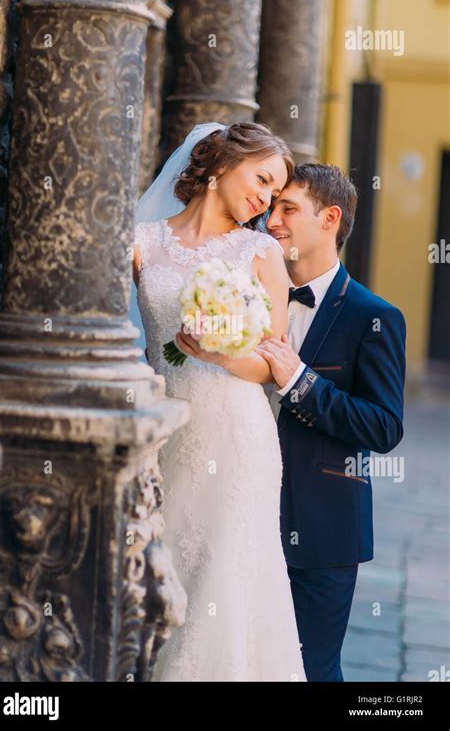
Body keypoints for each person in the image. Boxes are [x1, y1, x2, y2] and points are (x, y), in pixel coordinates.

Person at [132, 122, 306, 681]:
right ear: (223, 162)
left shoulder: (259, 252)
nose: (264, 199)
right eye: (261, 179)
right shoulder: (142, 242)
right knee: (164, 572)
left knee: (221, 582)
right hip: (164, 433)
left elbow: (269, 363)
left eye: (276, 195)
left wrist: (217, 352)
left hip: (236, 438)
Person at [257, 163, 406, 681]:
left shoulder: (375, 316)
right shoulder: (249, 294)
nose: (271, 220)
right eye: (271, 206)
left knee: (309, 670)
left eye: (287, 208)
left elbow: (384, 426)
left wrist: (301, 382)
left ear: (330, 218)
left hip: (321, 529)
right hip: (240, 515)